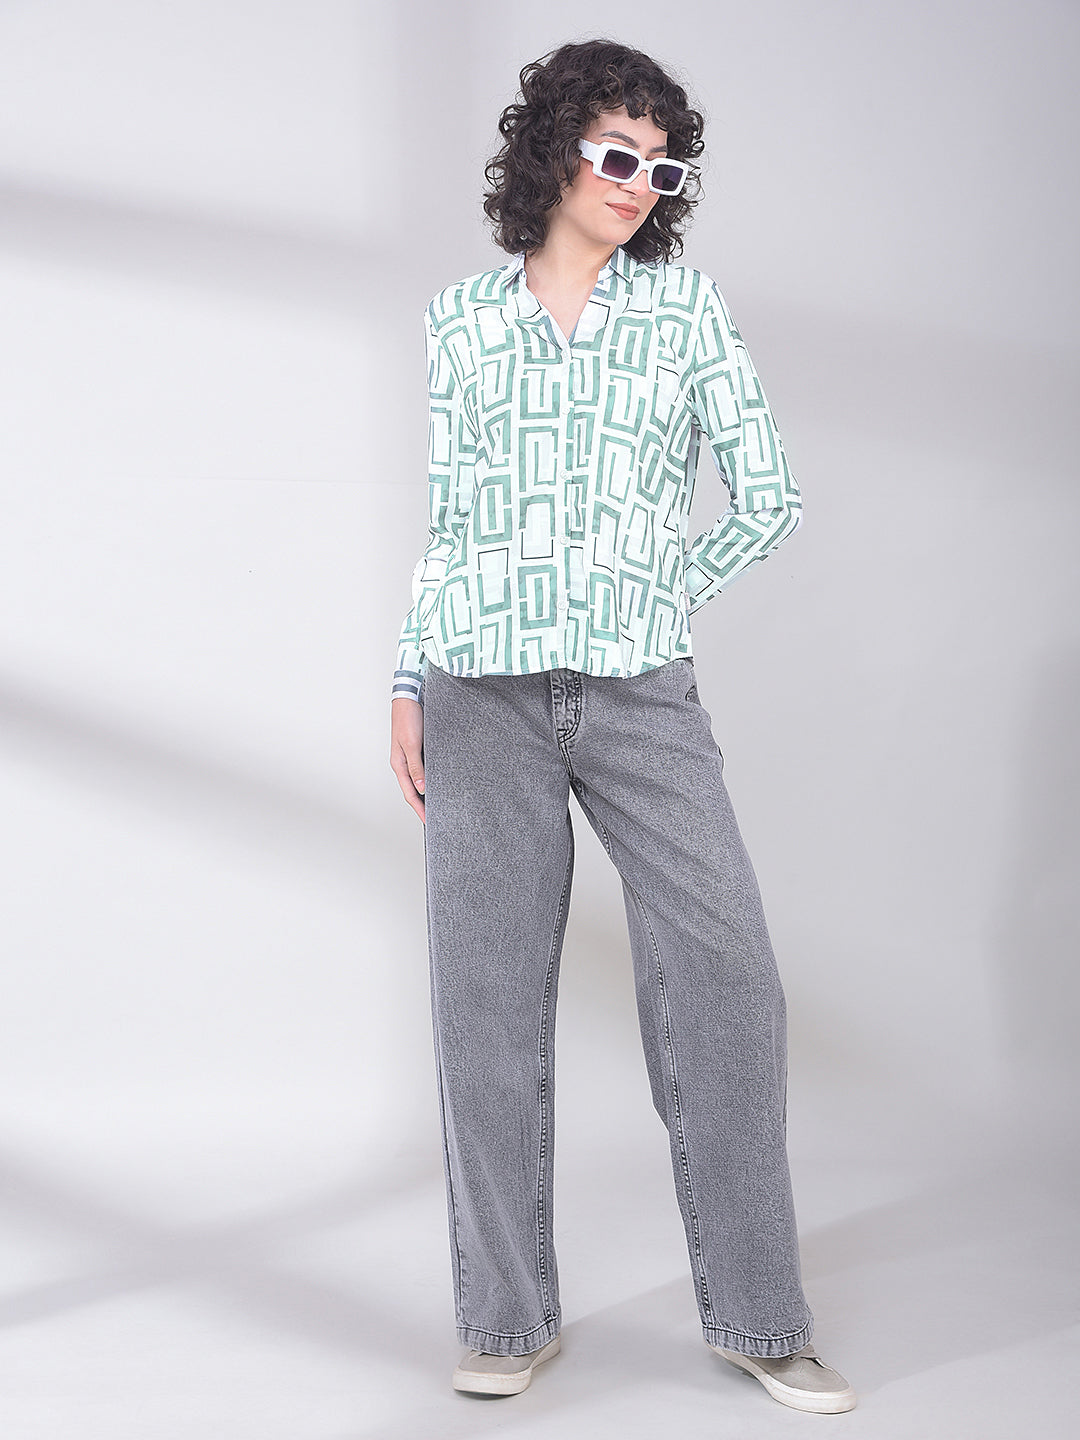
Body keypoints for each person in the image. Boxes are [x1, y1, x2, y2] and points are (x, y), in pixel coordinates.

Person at [389, 38, 855, 1415]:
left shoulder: (685, 313)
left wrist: (661, 590)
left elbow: (769, 497)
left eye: (663, 167)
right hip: (480, 687)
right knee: (484, 1009)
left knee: (727, 983)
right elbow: (452, 522)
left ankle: (760, 1317)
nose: (642, 183)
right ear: (551, 153)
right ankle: (504, 1317)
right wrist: (409, 678)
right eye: (617, 155)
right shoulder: (461, 322)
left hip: (639, 690)